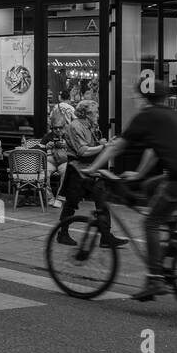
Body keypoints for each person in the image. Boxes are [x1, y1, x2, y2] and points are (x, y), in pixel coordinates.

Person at [84, 81, 177, 299]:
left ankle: (155, 279)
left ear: (145, 98)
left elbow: (118, 146)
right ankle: (175, 236)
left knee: (150, 223)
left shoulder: (146, 116)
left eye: (137, 96)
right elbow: (154, 150)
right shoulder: (173, 115)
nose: (135, 100)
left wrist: (92, 167)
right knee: (149, 186)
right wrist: (138, 175)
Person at [54, 101, 127, 248]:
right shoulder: (75, 126)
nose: (98, 115)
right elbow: (82, 151)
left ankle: (106, 237)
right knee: (71, 203)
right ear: (86, 114)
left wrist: (101, 143)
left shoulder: (91, 126)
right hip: (77, 169)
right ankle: (62, 233)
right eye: (96, 112)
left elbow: (93, 146)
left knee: (102, 200)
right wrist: (104, 146)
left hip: (91, 169)